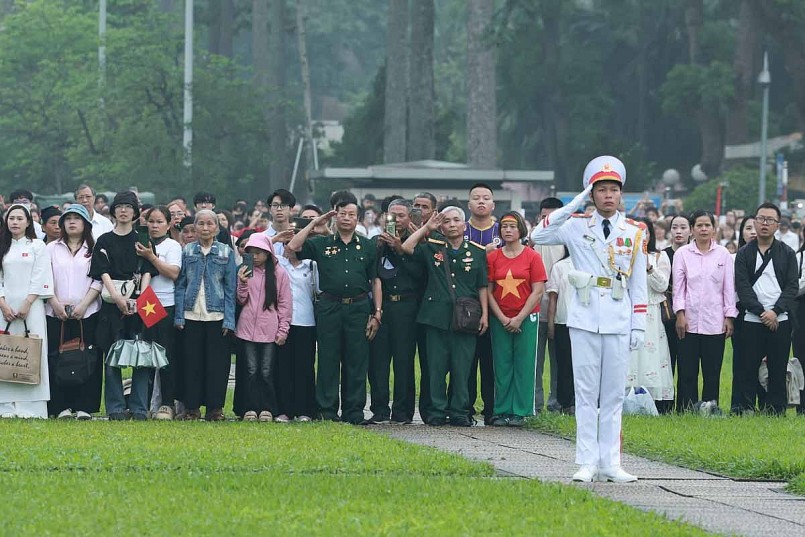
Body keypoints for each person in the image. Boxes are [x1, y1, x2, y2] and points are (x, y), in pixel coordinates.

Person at [532, 155, 647, 483]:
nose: (608, 195)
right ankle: (586, 461)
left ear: (621, 195)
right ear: (591, 194)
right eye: (601, 190)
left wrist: (637, 323)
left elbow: (638, 283)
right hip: (583, 317)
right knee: (585, 393)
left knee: (612, 395)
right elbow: (539, 235)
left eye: (614, 190)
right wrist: (575, 203)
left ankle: (611, 462)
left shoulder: (634, 232)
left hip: (618, 318)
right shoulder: (575, 226)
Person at [286, 201, 381, 425]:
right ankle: (327, 410)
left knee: (356, 361)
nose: (346, 218)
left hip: (358, 307)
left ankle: (354, 410)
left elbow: (375, 280)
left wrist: (377, 312)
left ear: (357, 219)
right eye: (342, 214)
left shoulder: (367, 246)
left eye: (351, 214)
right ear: (335, 217)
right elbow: (293, 246)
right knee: (328, 359)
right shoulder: (322, 243)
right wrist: (315, 223)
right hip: (329, 306)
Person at [401, 206, 489, 427]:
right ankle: (437, 411)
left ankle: (459, 411)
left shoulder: (477, 251)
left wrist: (485, 315)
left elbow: (482, 286)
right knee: (436, 368)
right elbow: (406, 246)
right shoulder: (432, 248)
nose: (451, 225)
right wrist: (426, 228)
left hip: (466, 318)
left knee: (462, 368)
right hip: (436, 317)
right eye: (446, 221)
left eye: (456, 220)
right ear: (441, 225)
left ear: (464, 224)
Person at [89, 191, 158, 420]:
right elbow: (102, 272)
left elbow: (149, 269)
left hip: (141, 304)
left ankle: (139, 407)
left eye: (128, 206)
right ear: (113, 210)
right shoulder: (104, 240)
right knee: (112, 356)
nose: (123, 210)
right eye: (119, 206)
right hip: (112, 304)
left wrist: (140, 299)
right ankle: (116, 407)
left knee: (142, 356)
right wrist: (118, 299)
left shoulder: (143, 238)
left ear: (136, 212)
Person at [734, 203, 797, 415]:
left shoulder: (787, 253)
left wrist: (775, 311)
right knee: (748, 367)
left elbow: (792, 287)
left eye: (770, 220)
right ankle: (747, 408)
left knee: (778, 368)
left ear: (777, 225)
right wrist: (762, 312)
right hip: (753, 319)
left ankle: (775, 410)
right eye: (761, 219)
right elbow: (742, 287)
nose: (764, 224)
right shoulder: (744, 254)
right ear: (755, 221)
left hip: (780, 319)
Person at [174, 209, 237, 421]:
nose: (205, 228)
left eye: (210, 224)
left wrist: (229, 319)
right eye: (201, 224)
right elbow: (181, 285)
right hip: (191, 314)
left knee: (217, 366)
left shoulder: (226, 252)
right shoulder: (187, 252)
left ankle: (215, 409)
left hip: (216, 316)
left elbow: (230, 288)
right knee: (191, 363)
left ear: (217, 228)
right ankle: (192, 408)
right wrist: (179, 316)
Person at [673, 210, 737, 412]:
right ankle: (685, 408)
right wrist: (680, 314)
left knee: (712, 372)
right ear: (692, 229)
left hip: (715, 321)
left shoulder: (723, 255)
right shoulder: (682, 254)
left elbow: (729, 288)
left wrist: (729, 316)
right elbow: (678, 288)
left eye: (707, 225)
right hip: (688, 322)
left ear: (714, 229)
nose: (703, 229)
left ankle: (710, 408)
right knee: (687, 371)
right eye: (699, 225)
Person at [486, 211, 546, 426]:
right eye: (504, 226)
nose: (508, 230)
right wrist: (502, 317)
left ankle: (520, 410)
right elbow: (488, 290)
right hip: (499, 318)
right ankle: (501, 410)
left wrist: (520, 317)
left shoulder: (532, 256)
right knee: (501, 365)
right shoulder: (493, 257)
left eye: (512, 226)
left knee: (525, 364)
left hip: (527, 318)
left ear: (521, 229)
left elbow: (538, 290)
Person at [367, 199, 424, 424]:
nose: (397, 220)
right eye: (392, 216)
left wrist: (401, 248)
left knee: (404, 361)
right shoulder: (375, 242)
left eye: (401, 216)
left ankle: (403, 411)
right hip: (382, 306)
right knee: (378, 361)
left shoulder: (417, 244)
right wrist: (383, 246)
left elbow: (419, 274)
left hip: (407, 307)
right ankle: (379, 410)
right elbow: (372, 273)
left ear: (410, 218)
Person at [45, 205, 102, 420]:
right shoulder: (51, 248)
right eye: (67, 219)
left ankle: (85, 405)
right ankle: (60, 406)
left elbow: (98, 279)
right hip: (55, 311)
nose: (71, 222)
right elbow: (44, 279)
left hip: (87, 311)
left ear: (85, 223)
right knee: (57, 357)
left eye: (76, 218)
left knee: (86, 357)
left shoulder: (95, 248)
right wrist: (55, 303)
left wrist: (84, 305)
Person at [0, 204, 54, 419]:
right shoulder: (2, 246)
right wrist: (3, 304)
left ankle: (31, 407)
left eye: (19, 218)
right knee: (6, 354)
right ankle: (6, 406)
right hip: (5, 308)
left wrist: (27, 302)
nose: (15, 222)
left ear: (28, 222)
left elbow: (41, 276)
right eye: (11, 218)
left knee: (32, 352)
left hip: (31, 308)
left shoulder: (37, 246)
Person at [236, 234, 292, 422]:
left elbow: (285, 304)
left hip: (269, 329)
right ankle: (250, 408)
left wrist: (283, 330)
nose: (256, 256)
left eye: (260, 253)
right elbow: (242, 300)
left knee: (267, 371)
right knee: (251, 370)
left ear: (268, 253)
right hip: (247, 328)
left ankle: (267, 408)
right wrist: (242, 282)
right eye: (252, 252)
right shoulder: (245, 270)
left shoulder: (279, 273)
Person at [135, 206, 182, 420]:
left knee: (166, 355)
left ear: (169, 223)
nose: (154, 226)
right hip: (141, 303)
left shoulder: (172, 246)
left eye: (159, 221)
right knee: (144, 355)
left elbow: (173, 273)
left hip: (164, 304)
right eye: (150, 221)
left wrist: (151, 257)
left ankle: (166, 403)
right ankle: (142, 402)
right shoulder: (137, 242)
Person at [626, 217, 674, 409]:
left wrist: (647, 265)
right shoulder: (621, 255)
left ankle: (654, 399)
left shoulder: (659, 257)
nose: (642, 235)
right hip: (627, 311)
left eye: (644, 232)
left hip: (652, 312)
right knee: (629, 355)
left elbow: (662, 285)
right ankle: (626, 396)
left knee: (651, 354)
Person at [463, 183, 499, 425]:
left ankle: (491, 409)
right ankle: (464, 408)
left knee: (490, 361)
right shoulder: (459, 229)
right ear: (469, 204)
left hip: (496, 305)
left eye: (486, 198)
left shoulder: (503, 231)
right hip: (464, 306)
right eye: (476, 198)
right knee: (466, 360)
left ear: (493, 204)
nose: (481, 202)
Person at [275, 247, 318, 422]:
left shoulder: (312, 265)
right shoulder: (279, 262)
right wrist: (277, 238)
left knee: (304, 367)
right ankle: (284, 409)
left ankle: (305, 410)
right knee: (283, 367)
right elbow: (259, 248)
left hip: (306, 320)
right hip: (283, 321)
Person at [533, 197, 565, 413]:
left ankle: (557, 402)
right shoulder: (531, 240)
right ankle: (534, 403)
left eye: (553, 218)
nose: (548, 222)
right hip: (534, 310)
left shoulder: (571, 242)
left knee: (559, 362)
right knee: (534, 363)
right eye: (545, 217)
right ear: (539, 217)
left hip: (562, 312)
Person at [729, 215, 756, 413]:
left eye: (756, 227)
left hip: (765, 313)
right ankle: (738, 404)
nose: (753, 232)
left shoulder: (777, 256)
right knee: (740, 360)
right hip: (740, 313)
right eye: (748, 228)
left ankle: (762, 403)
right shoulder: (733, 258)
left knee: (762, 360)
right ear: (741, 233)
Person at [662, 214, 691, 380]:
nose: (678, 231)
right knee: (666, 356)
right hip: (666, 309)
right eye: (674, 227)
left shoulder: (694, 254)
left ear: (690, 231)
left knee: (687, 358)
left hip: (690, 308)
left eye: (683, 227)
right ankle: (665, 401)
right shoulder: (662, 255)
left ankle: (684, 401)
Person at [546, 248, 574, 413]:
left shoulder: (592, 264)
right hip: (563, 321)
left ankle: (580, 401)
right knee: (564, 364)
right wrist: (551, 324)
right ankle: (565, 402)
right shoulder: (560, 266)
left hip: (587, 325)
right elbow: (553, 298)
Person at [265, 189, 296, 256]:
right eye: (275, 205)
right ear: (270, 209)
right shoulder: (261, 237)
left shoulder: (297, 236)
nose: (279, 209)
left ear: (291, 209)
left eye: (283, 205)